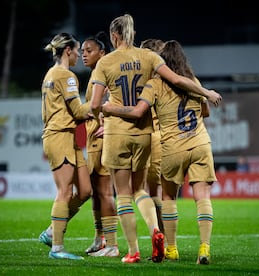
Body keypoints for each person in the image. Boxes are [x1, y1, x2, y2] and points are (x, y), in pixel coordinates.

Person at [90, 14, 222, 264]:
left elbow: (105, 105)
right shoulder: (162, 65)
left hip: (139, 136)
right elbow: (186, 89)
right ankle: (195, 245)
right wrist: (206, 92)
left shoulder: (112, 65)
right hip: (175, 138)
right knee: (156, 192)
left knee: (135, 195)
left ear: (114, 35)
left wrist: (104, 113)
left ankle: (141, 250)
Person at [38, 32, 92, 260]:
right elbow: (79, 112)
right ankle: (57, 247)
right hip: (59, 136)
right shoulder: (66, 76)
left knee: (86, 190)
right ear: (68, 50)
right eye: (78, 50)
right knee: (65, 192)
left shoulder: (50, 74)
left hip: (66, 136)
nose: (80, 55)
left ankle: (52, 230)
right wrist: (101, 103)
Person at [80, 31, 119, 257]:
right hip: (94, 140)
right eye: (83, 51)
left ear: (102, 53)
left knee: (105, 192)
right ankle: (100, 238)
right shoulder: (96, 74)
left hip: (102, 140)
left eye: (89, 50)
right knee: (96, 191)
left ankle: (112, 244)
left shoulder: (103, 74)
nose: (84, 55)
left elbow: (108, 104)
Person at [139, 38, 165, 234]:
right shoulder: (172, 79)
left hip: (152, 135)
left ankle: (161, 238)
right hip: (167, 137)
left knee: (145, 190)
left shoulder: (151, 83)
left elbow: (138, 111)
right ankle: (165, 241)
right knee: (160, 191)